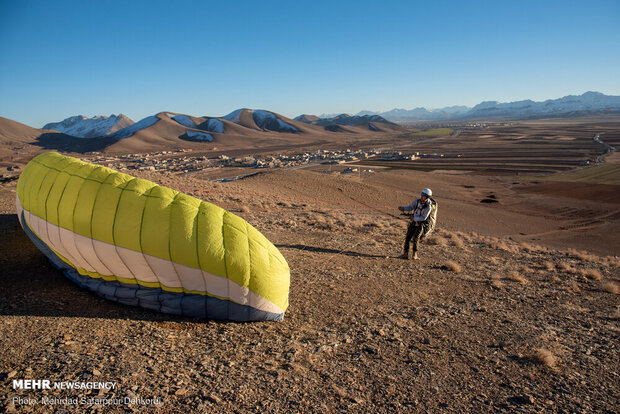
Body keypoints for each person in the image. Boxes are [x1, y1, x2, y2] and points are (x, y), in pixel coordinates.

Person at [398, 188, 435, 260]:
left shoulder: (428, 207)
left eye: (423, 195)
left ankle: (415, 255)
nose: (421, 196)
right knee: (408, 238)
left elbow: (424, 217)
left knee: (416, 238)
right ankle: (405, 254)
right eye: (421, 194)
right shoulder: (417, 201)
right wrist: (403, 208)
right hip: (412, 223)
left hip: (420, 225)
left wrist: (414, 218)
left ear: (427, 197)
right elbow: (410, 207)